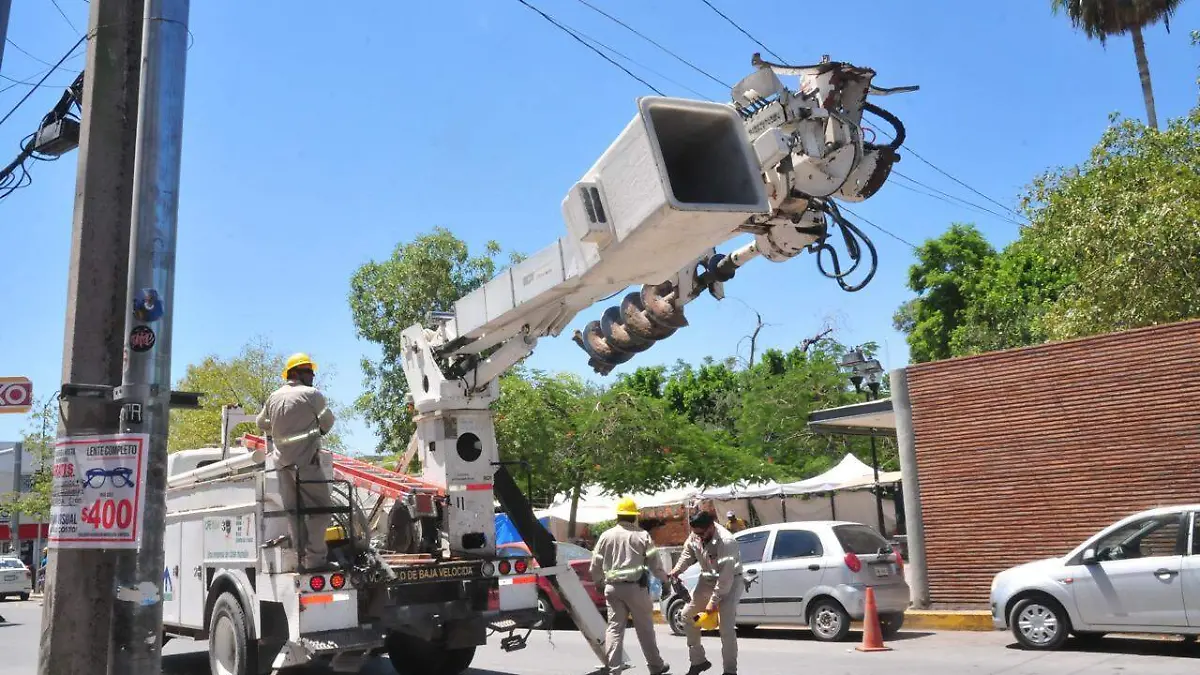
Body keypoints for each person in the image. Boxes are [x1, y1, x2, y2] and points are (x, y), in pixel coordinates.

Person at [257, 352, 338, 572]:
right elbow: (328, 422)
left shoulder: (273, 397)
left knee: (294, 513)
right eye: (309, 371)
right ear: (297, 373)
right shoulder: (312, 395)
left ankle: (301, 560)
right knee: (321, 510)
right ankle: (315, 560)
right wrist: (316, 429)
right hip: (307, 463)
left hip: (283, 465)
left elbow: (261, 423)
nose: (312, 376)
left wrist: (279, 427)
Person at [589, 497, 671, 675]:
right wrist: (665, 581)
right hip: (635, 589)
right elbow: (655, 565)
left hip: (612, 589)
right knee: (645, 629)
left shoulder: (606, 536)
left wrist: (599, 583)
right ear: (634, 516)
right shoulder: (642, 536)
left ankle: (614, 670)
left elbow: (595, 565)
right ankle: (655, 666)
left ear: (618, 516)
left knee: (614, 629)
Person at [669, 510, 743, 675]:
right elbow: (688, 553)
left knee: (726, 628)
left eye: (702, 534)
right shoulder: (697, 533)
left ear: (711, 527)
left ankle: (730, 671)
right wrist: (677, 570)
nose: (699, 537)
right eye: (696, 534)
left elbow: (725, 579)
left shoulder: (726, 542)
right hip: (707, 580)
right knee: (687, 616)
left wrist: (712, 602)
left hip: (730, 583)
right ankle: (698, 661)